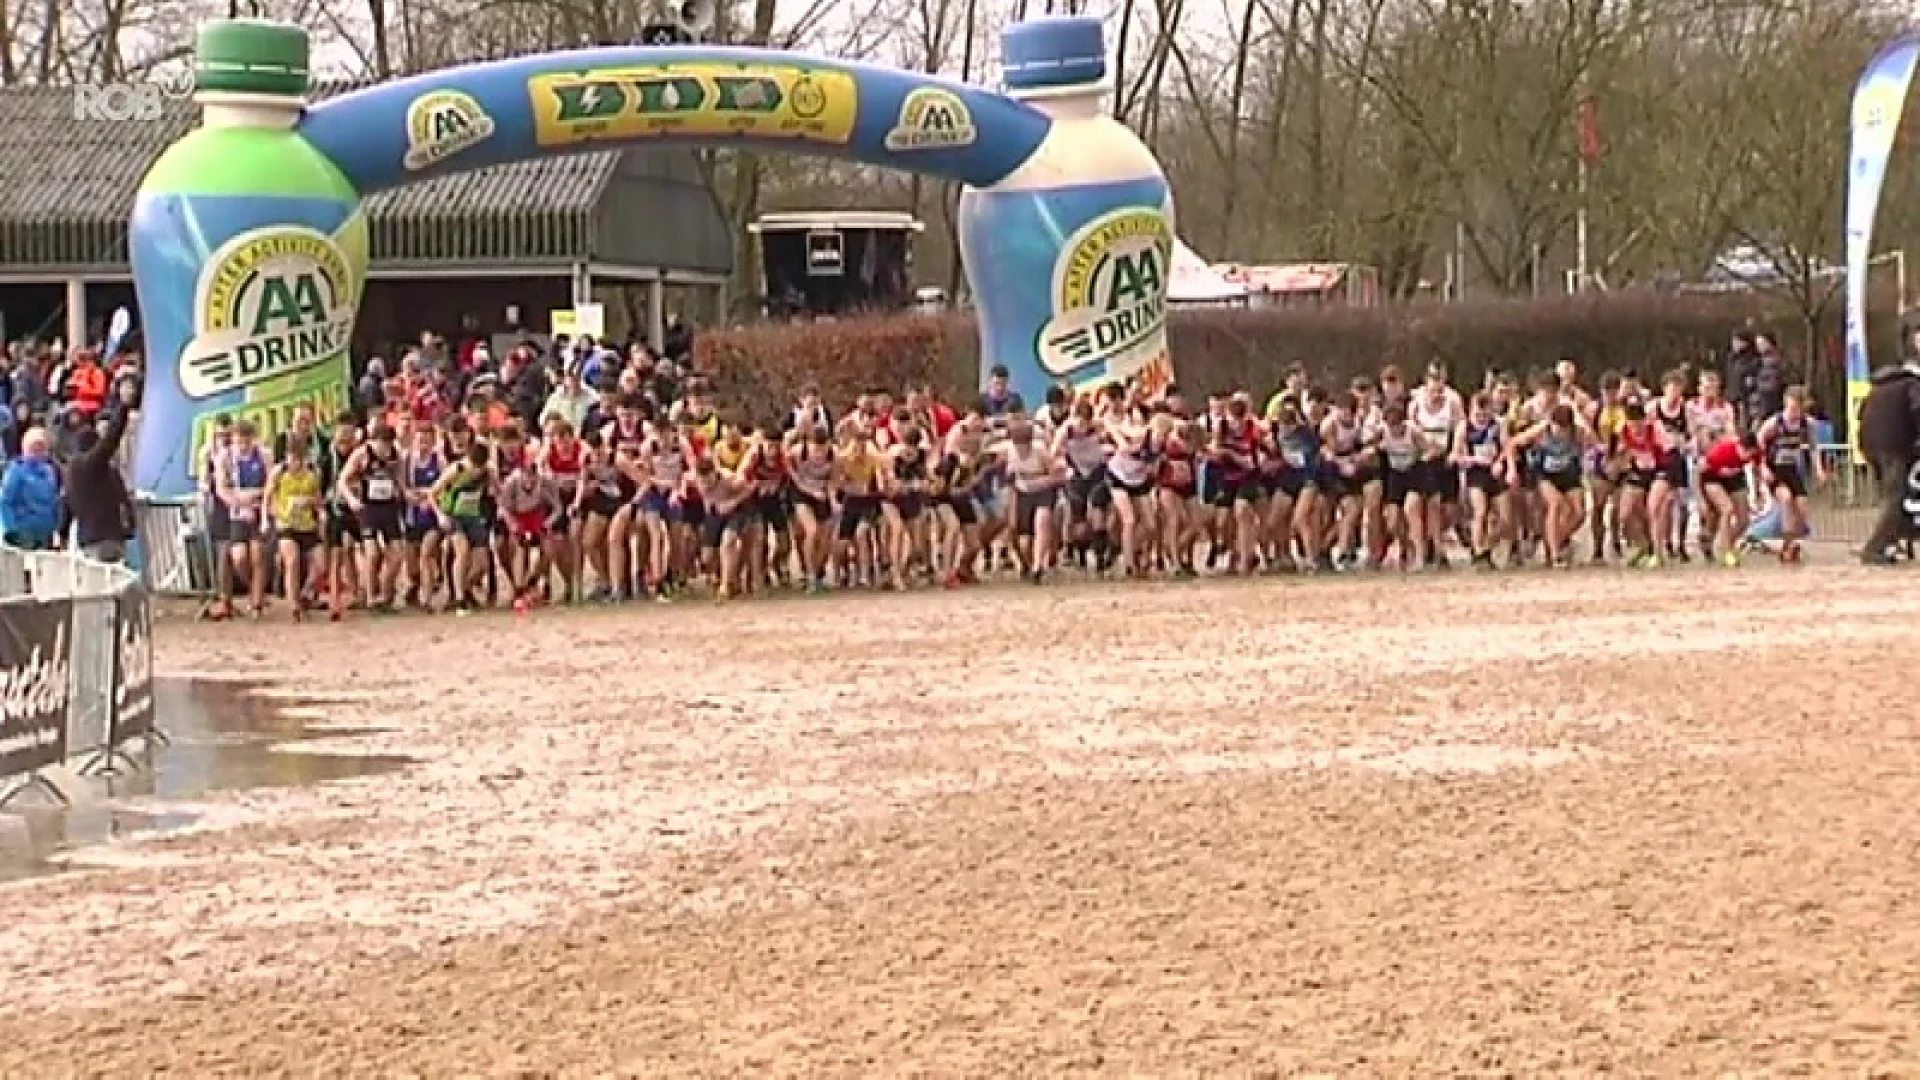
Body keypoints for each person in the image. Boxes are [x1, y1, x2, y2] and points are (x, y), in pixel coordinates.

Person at [64, 379, 135, 562]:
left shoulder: (72, 471)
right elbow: (110, 440)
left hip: (90, 538)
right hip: (103, 538)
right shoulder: (89, 466)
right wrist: (123, 407)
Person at [1857, 358, 1920, 564]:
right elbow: (1917, 410)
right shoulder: (1910, 385)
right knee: (1896, 498)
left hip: (1870, 447)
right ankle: (1874, 548)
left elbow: (1860, 415)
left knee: (1889, 497)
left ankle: (1891, 541)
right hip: (1894, 446)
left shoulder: (1876, 389)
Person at [0, 427, 60, 550]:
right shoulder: (16, 470)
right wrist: (12, 530)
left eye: (41, 447)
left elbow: (53, 500)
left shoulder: (49, 471)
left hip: (46, 531)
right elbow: (5, 501)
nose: (38, 451)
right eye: (34, 447)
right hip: (24, 532)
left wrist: (56, 524)